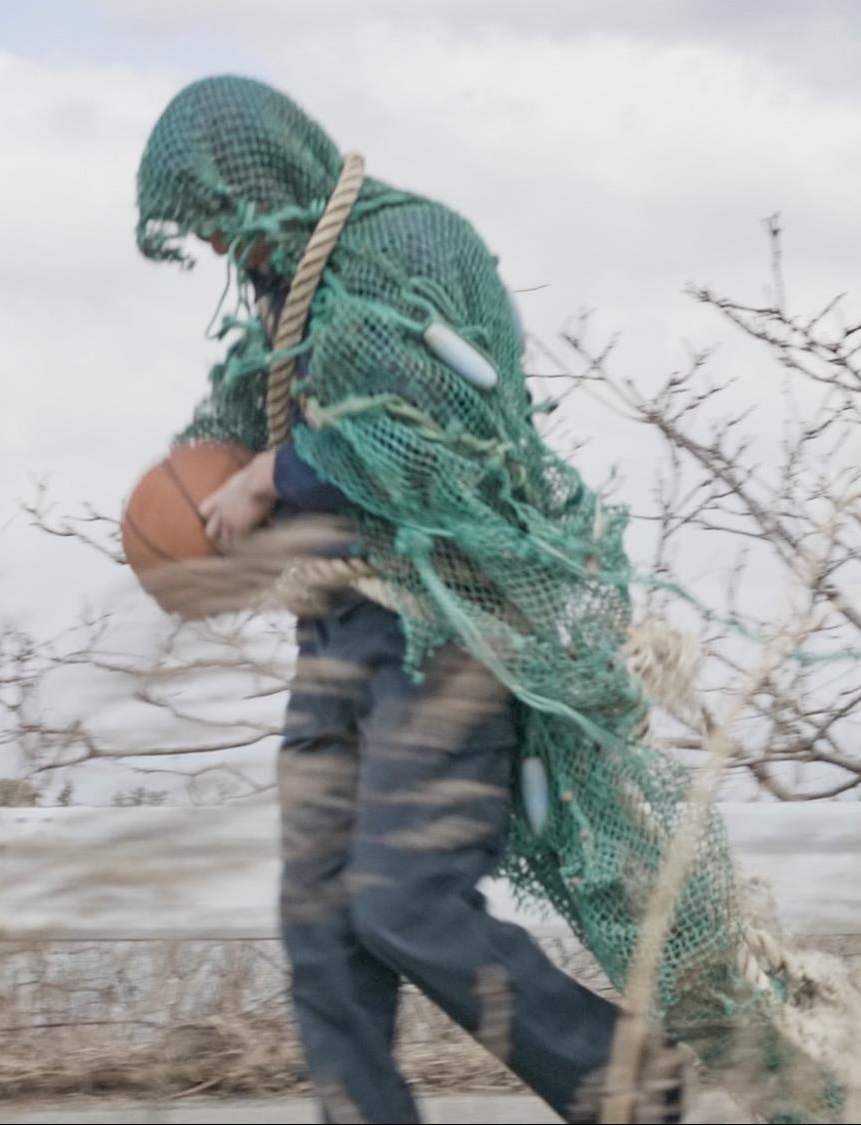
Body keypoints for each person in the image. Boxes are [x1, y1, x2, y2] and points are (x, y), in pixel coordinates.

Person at [135, 76, 686, 1124]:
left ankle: (629, 1084)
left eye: (218, 218)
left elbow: (435, 423)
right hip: (338, 626)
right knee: (320, 920)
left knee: (403, 901)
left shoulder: (412, 248)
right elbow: (244, 431)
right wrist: (203, 497)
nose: (213, 247)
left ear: (261, 179)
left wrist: (278, 477)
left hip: (451, 628)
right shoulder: (279, 308)